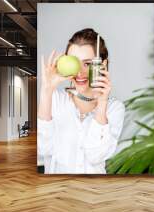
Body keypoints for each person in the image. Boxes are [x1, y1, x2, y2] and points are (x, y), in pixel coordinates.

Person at [37, 28, 125, 174]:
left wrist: (101, 102)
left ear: (103, 64)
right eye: (74, 62)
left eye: (88, 64)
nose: (79, 73)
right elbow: (42, 149)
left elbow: (96, 156)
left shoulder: (114, 108)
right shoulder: (55, 99)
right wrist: (46, 90)